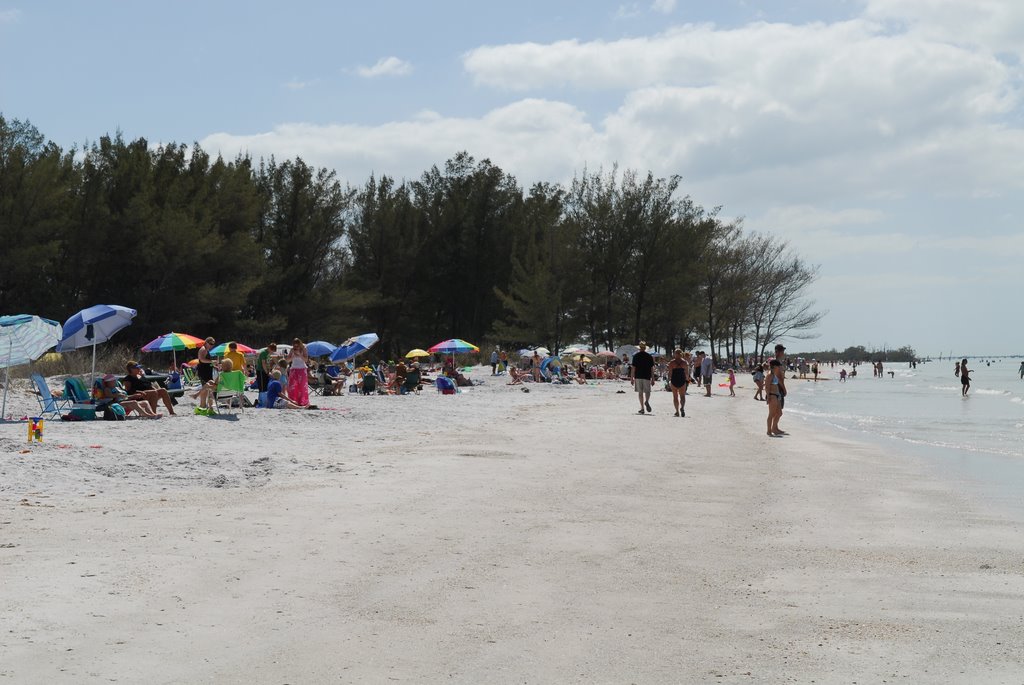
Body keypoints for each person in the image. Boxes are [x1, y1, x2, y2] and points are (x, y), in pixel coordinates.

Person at [93, 374, 160, 418]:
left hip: (124, 402)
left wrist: (134, 396)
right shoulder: (107, 389)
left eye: (114, 381)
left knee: (145, 402)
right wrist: (117, 395)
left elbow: (125, 397)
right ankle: (147, 415)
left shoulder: (116, 388)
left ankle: (152, 414)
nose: (115, 382)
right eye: (113, 381)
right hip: (115, 404)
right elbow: (109, 396)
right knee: (134, 402)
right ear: (108, 382)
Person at [766, 343, 788, 437]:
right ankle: (773, 428)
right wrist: (783, 388)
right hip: (776, 389)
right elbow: (777, 378)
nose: (783, 353)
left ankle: (775, 427)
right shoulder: (775, 363)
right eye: (782, 351)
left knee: (778, 411)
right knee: (775, 412)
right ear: (777, 352)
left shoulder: (777, 362)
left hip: (777, 389)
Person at [630, 341, 655, 415]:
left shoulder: (636, 356)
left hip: (638, 376)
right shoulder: (649, 356)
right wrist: (653, 379)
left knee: (640, 393)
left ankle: (642, 408)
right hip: (647, 376)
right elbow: (652, 369)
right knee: (647, 391)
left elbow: (633, 368)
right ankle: (647, 401)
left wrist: (631, 378)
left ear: (639, 348)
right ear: (645, 348)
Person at [287, 338, 310, 406]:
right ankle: (293, 401)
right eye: (294, 346)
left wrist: (300, 354)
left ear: (300, 344)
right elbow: (287, 360)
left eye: (297, 346)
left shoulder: (304, 349)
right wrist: (292, 357)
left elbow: (306, 360)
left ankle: (303, 402)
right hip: (293, 369)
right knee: (293, 386)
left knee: (302, 387)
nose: (296, 347)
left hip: (302, 369)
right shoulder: (292, 350)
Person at [667, 349, 689, 417]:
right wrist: (687, 380)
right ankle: (682, 407)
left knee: (675, 396)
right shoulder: (684, 362)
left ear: (675, 354)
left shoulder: (671, 362)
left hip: (674, 380)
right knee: (682, 396)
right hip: (682, 379)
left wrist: (668, 380)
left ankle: (677, 411)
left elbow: (670, 373)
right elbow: (687, 373)